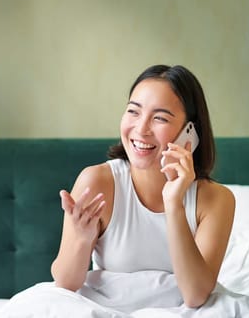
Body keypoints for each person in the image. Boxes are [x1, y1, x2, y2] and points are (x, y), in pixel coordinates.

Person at [50, 64, 236, 309]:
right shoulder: (97, 182)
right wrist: (82, 241)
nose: (141, 128)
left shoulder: (217, 200)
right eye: (133, 112)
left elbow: (195, 295)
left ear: (190, 132)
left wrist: (174, 203)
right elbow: (65, 283)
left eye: (159, 118)